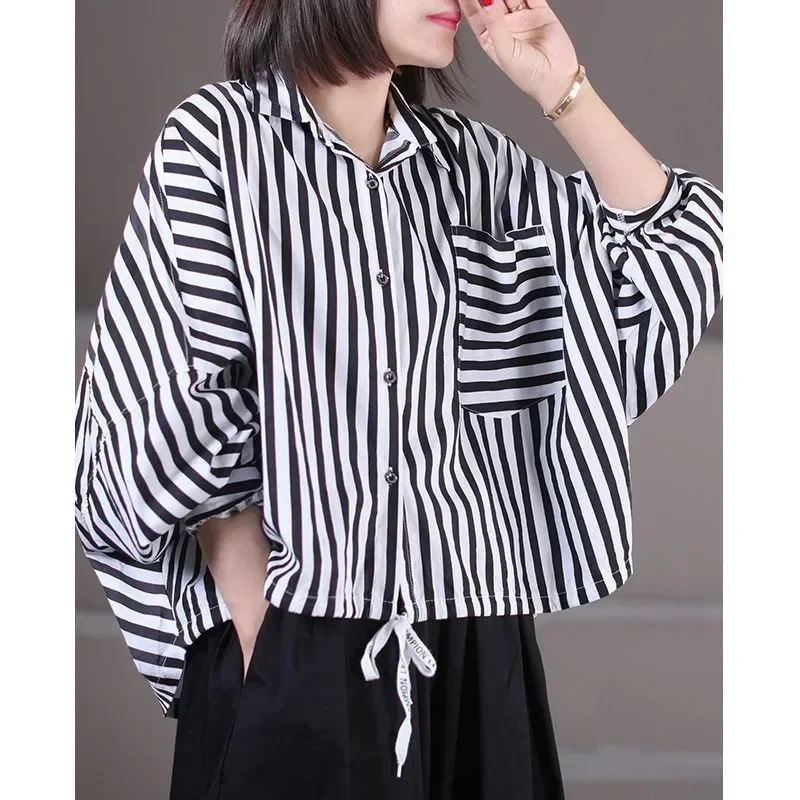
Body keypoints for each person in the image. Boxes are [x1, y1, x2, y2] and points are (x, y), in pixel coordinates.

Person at [74, 1, 723, 798]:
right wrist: (260, 639)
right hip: (293, 634)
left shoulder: (474, 167)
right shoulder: (219, 140)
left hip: (478, 649)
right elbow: (183, 405)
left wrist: (564, 89)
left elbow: (678, 258)